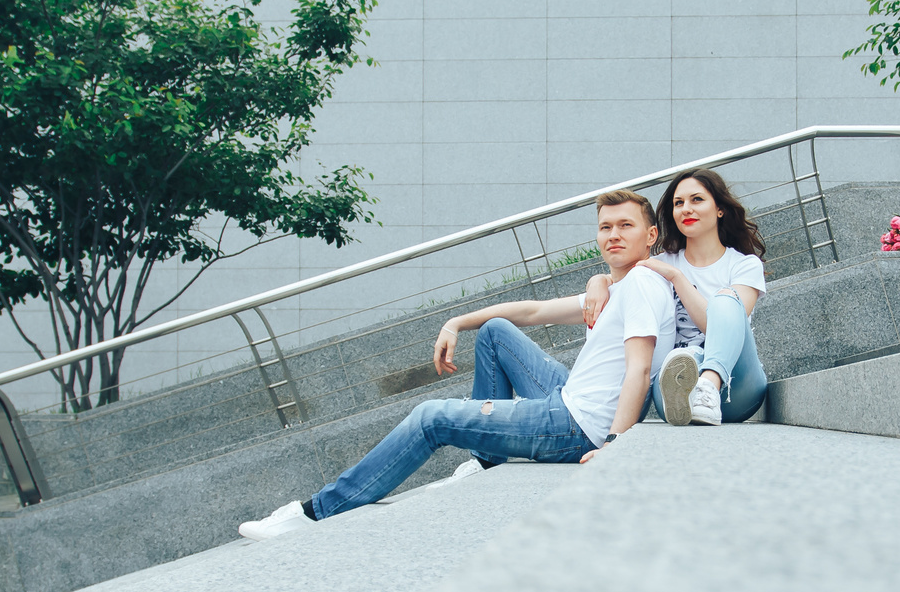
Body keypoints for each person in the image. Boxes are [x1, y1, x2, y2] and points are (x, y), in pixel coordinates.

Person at [237, 191, 678, 541]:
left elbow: (640, 370)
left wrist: (614, 447)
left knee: (431, 418)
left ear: (651, 234)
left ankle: (315, 512)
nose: (613, 235)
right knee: (496, 331)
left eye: (626, 226)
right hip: (574, 399)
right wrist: (457, 321)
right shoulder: (617, 288)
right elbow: (534, 311)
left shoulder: (640, 283)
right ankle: (488, 457)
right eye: (605, 227)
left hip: (578, 426)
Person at [585, 166, 767, 427]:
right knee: (681, 359)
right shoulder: (659, 264)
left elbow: (717, 325)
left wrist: (677, 279)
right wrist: (598, 281)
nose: (686, 209)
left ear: (720, 209)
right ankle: (693, 385)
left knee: (726, 299)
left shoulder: (743, 265)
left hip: (736, 388)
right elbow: (622, 282)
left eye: (697, 200)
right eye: (678, 203)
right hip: (676, 390)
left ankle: (709, 385)